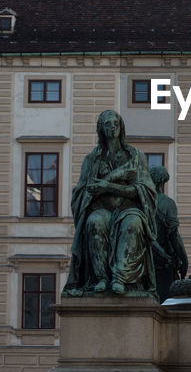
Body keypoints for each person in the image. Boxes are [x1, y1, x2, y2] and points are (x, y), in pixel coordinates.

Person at [62, 110, 157, 297]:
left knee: (133, 224)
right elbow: (81, 191)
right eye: (107, 124)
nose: (112, 127)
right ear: (101, 129)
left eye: (115, 123)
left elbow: (144, 191)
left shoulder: (136, 157)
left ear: (121, 128)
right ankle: (101, 278)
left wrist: (107, 186)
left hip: (129, 209)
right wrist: (94, 190)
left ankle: (119, 278)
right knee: (94, 222)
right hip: (102, 208)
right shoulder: (92, 159)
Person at [149, 166, 189, 301]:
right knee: (166, 301)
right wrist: (184, 259)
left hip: (143, 260)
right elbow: (174, 235)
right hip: (163, 262)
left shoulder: (140, 202)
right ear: (163, 181)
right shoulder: (168, 203)